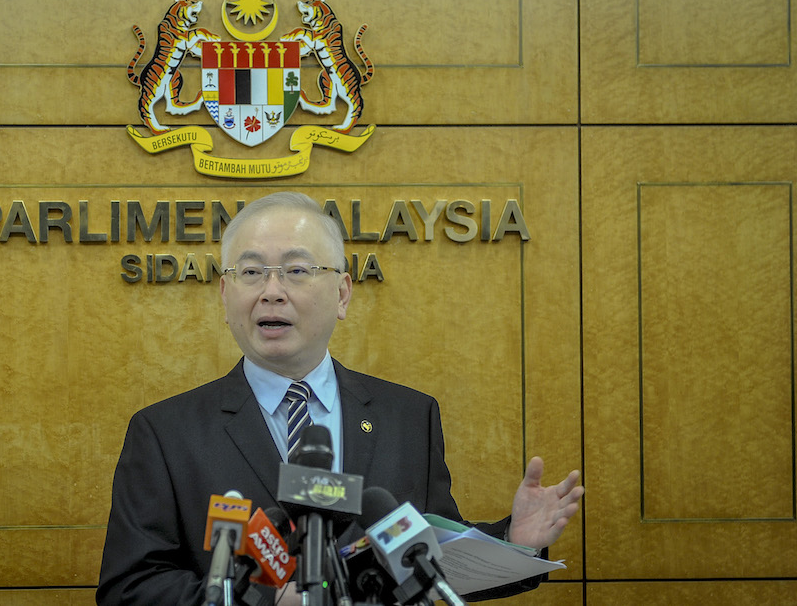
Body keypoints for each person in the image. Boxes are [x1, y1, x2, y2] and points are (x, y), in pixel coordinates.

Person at [96, 191, 584, 605]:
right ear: (225, 295)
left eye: (296, 270)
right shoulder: (164, 432)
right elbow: (130, 587)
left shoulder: (409, 416)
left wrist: (513, 541)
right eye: (251, 273)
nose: (271, 291)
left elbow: (429, 560)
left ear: (343, 294)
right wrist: (265, 600)